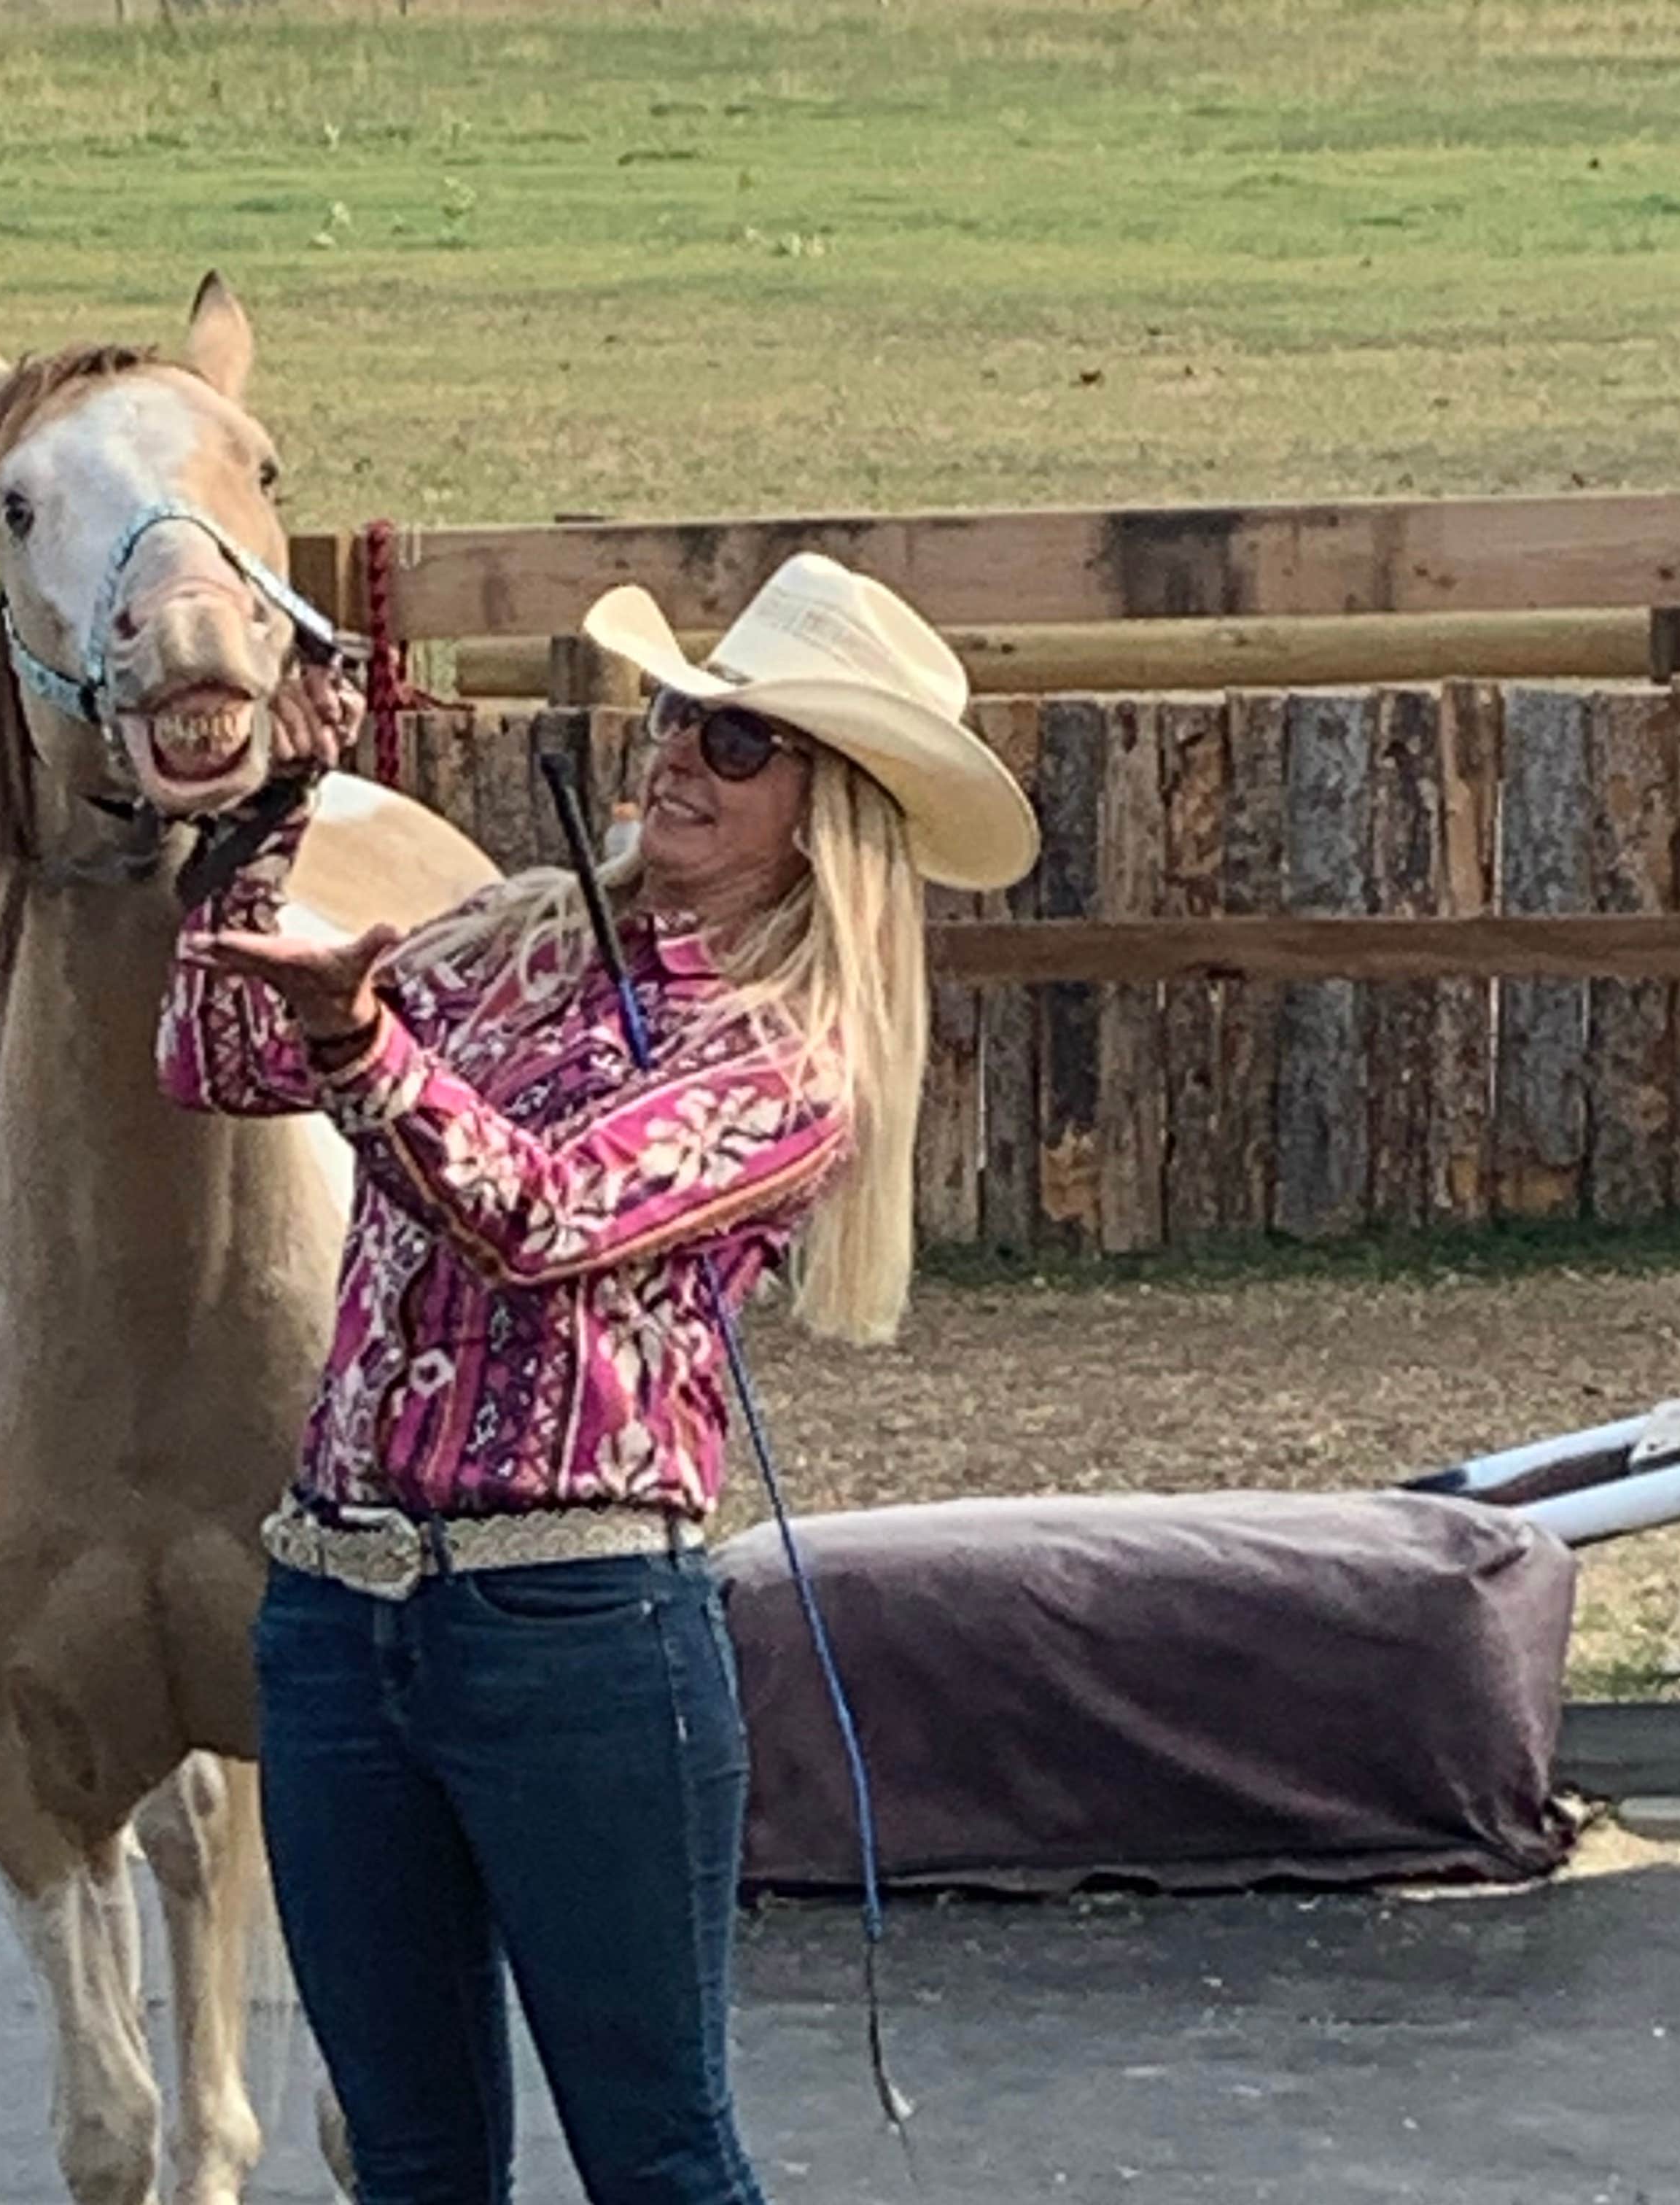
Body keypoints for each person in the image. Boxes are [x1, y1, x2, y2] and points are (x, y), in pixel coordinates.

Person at [156, 552, 1038, 2204]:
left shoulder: (791, 1061)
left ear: (827, 809)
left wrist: (362, 1049)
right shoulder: (509, 937)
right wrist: (266, 810)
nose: (677, 755)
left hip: (581, 1634)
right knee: (410, 2160)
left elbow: (542, 1216)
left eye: (736, 743)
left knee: (657, 2155)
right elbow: (209, 1056)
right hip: (340, 1609)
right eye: (681, 717)